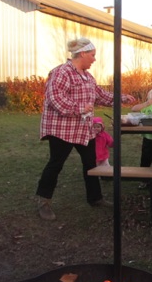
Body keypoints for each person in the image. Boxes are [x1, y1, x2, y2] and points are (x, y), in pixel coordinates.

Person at [36, 37, 136, 220]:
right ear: (82, 54)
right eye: (92, 55)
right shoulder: (62, 72)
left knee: (91, 163)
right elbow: (55, 98)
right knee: (56, 164)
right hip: (62, 129)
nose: (94, 59)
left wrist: (121, 98)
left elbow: (100, 95)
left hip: (83, 129)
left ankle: (95, 198)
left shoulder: (87, 76)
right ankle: (43, 202)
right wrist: (79, 108)